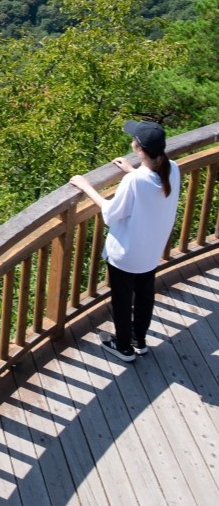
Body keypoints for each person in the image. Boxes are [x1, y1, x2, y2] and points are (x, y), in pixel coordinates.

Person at [69, 120, 180, 363]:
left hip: (127, 253)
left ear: (139, 148)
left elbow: (111, 213)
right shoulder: (172, 168)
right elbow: (151, 189)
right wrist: (132, 171)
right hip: (151, 250)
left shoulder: (136, 181)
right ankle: (139, 341)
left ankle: (123, 347)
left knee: (121, 300)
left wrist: (86, 187)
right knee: (143, 295)